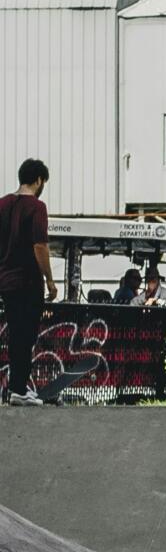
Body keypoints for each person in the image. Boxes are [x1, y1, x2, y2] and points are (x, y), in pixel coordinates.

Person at [0, 158, 53, 406]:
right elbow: (40, 246)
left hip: (7, 282)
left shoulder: (2, 204)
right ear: (39, 180)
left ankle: (17, 387)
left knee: (15, 334)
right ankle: (19, 390)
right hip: (29, 282)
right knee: (27, 336)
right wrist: (50, 281)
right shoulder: (37, 207)